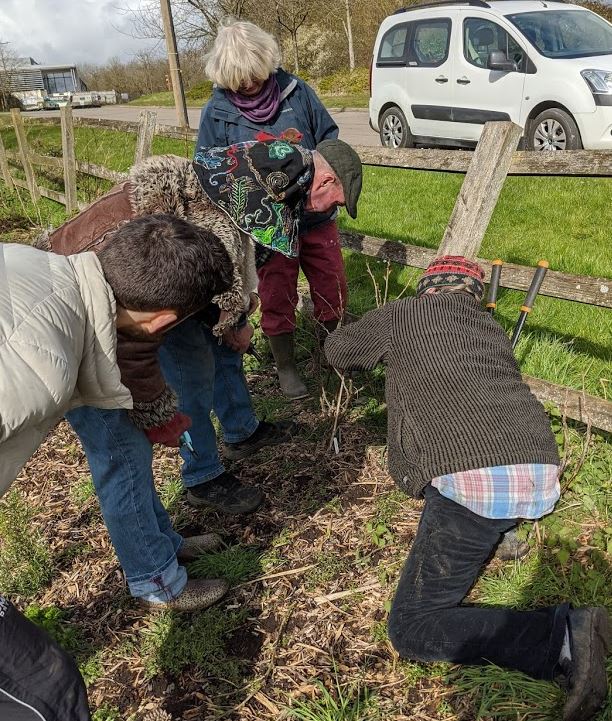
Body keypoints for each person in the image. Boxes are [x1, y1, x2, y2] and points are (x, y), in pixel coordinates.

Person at [43, 138, 362, 606]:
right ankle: (155, 579)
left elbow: (200, 290)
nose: (332, 208)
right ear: (326, 179)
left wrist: (231, 316)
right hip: (75, 333)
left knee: (136, 439)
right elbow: (133, 343)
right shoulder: (190, 227)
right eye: (335, 197)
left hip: (110, 317)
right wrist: (159, 413)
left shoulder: (243, 186)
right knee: (121, 452)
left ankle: (163, 546)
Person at [324, 256, 610, 721]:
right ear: (473, 298)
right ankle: (505, 529)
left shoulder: (402, 313)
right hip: (539, 466)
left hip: (473, 478)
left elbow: (338, 352)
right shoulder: (490, 329)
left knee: (413, 627)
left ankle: (561, 637)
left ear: (426, 290)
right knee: (482, 491)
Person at [0, 217, 232, 719]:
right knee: (48, 692)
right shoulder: (40, 367)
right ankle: (157, 580)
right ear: (162, 321)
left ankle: (161, 555)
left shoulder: (29, 263)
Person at [197, 19, 351, 399]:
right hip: (267, 226)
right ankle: (286, 367)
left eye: (252, 75)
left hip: (315, 217)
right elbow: (208, 167)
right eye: (238, 79)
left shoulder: (296, 93)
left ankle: (336, 354)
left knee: (332, 284)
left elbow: (330, 138)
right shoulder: (217, 112)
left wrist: (317, 170)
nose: (247, 84)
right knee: (277, 291)